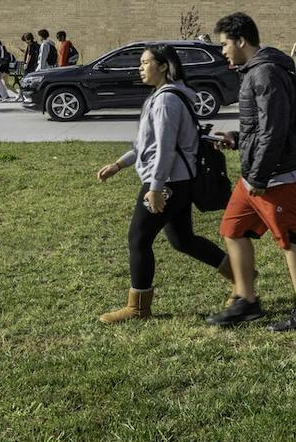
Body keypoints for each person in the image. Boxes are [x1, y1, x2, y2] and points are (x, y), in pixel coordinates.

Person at [94, 45, 234, 324]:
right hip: (176, 180)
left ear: (163, 66)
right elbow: (146, 144)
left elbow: (165, 149)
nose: (140, 67)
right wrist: (119, 164)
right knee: (183, 240)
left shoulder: (167, 101)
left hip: (167, 181)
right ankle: (241, 277)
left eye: (145, 62)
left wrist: (155, 188)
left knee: (138, 239)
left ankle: (138, 307)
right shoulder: (163, 97)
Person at [206, 12, 296, 331]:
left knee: (290, 239)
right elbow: (261, 128)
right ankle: (246, 301)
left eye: (224, 44)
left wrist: (259, 175)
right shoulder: (255, 72)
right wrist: (238, 138)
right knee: (233, 229)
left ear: (241, 41)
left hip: (277, 175)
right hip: (257, 173)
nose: (222, 51)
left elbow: (275, 130)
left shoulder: (266, 73)